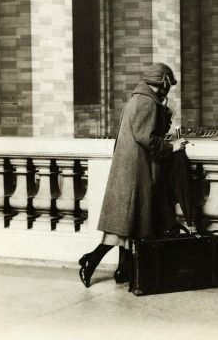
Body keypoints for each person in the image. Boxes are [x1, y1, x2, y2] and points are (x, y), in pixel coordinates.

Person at [78, 63, 187, 288]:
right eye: (169, 84)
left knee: (130, 223)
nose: (170, 89)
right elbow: (146, 137)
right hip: (137, 170)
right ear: (163, 82)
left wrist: (164, 109)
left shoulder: (138, 98)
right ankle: (91, 260)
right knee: (125, 224)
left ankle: (123, 270)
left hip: (129, 168)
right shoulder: (147, 102)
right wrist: (172, 147)